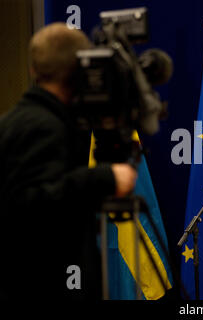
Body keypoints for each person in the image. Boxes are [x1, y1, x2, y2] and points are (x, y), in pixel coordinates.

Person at [0, 23, 137, 299]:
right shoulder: (45, 126)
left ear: (33, 70)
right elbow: (32, 201)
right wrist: (105, 178)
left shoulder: (12, 120)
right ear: (80, 73)